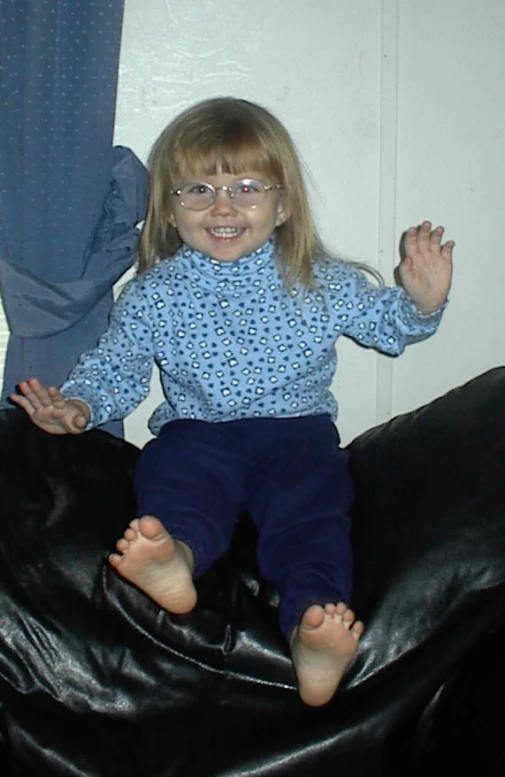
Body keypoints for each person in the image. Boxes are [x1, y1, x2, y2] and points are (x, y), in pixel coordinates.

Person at [11, 97, 454, 708]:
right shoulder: (154, 293)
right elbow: (116, 365)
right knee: (173, 478)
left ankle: (311, 631)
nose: (223, 207)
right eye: (197, 189)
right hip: (198, 434)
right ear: (169, 210)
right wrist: (80, 407)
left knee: (312, 516)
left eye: (246, 187)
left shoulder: (318, 279)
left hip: (296, 435)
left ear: (283, 205)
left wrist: (421, 302)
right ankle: (176, 560)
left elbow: (389, 326)